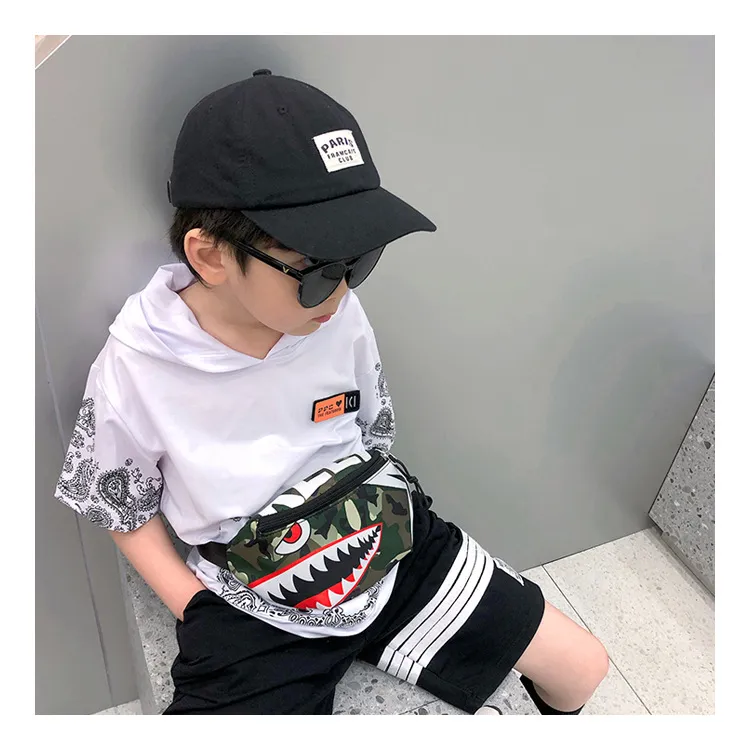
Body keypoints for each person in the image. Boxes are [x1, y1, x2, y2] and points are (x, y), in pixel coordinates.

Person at [54, 69, 608, 716]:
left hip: (383, 535)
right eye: (316, 270)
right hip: (249, 599)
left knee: (583, 668)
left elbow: (371, 430)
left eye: (357, 261)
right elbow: (118, 504)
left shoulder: (333, 315)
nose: (341, 291)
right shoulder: (138, 364)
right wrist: (194, 605)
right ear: (209, 256)